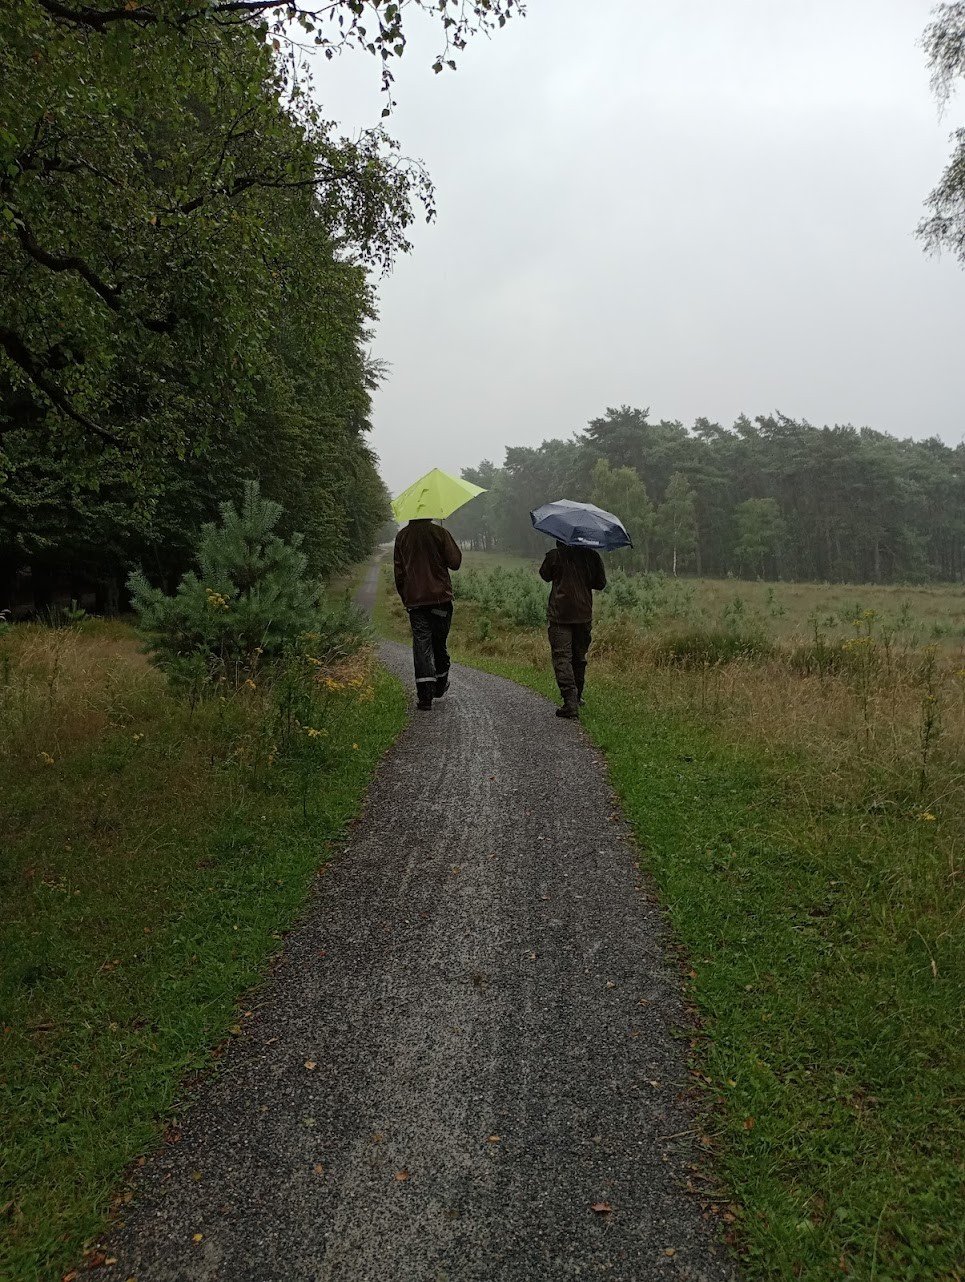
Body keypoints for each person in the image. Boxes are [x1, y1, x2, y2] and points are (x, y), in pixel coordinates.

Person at [393, 518, 462, 710]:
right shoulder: (440, 533)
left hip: (416, 603)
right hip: (441, 601)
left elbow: (399, 573)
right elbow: (455, 563)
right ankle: (440, 683)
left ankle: (425, 697)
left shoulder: (402, 537)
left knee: (422, 645)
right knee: (439, 643)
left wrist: (406, 598)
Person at [538, 540, 606, 719]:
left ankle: (570, 702)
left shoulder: (554, 555)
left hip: (560, 614)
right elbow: (601, 583)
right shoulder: (592, 556)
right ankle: (577, 696)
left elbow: (544, 575)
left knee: (562, 657)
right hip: (583, 614)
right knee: (579, 657)